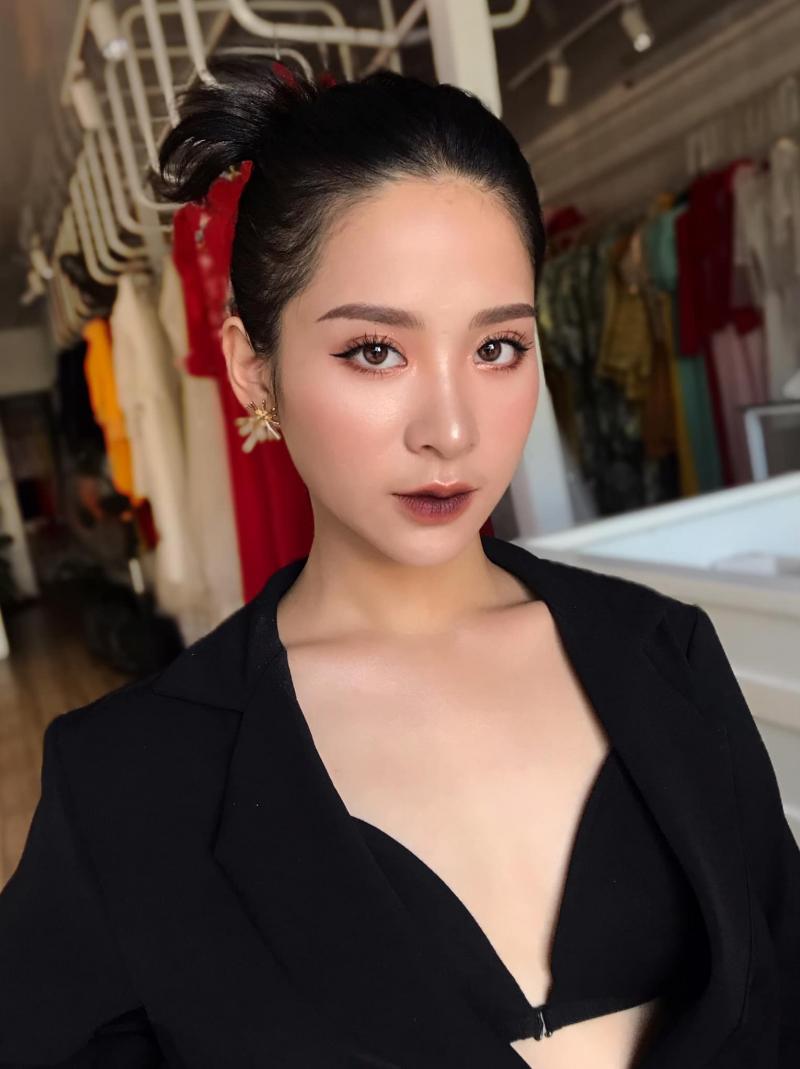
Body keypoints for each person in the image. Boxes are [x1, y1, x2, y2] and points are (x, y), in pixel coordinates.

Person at [1, 57, 798, 1069]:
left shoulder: (664, 652)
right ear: (251, 366)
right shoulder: (131, 781)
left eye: (496, 348)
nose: (450, 429)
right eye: (376, 350)